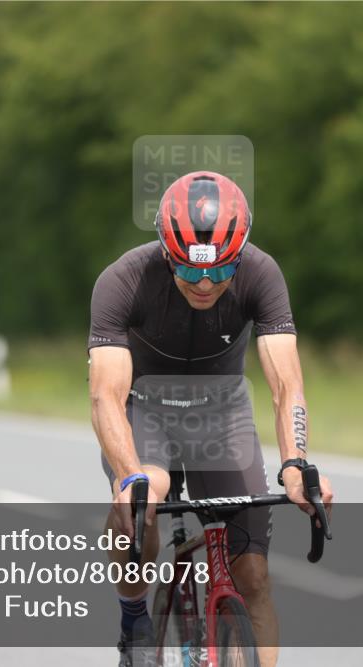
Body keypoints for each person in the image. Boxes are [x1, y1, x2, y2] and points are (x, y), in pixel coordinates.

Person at [88, 171, 334, 667]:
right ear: (166, 251)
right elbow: (107, 398)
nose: (205, 283)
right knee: (142, 500)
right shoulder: (123, 280)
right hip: (147, 410)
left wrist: (295, 463)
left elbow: (286, 384)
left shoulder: (263, 273)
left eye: (221, 272)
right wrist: (131, 477)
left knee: (254, 576)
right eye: (191, 271)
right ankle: (134, 615)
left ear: (239, 256)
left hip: (222, 416)